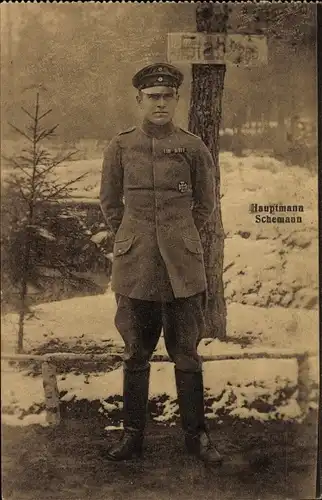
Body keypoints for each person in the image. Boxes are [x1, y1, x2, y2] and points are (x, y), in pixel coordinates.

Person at [99, 62, 222, 465]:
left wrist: (179, 234)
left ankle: (196, 437)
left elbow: (205, 204)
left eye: (168, 97)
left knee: (186, 352)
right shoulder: (120, 147)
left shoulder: (193, 147)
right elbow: (110, 203)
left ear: (177, 100)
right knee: (136, 352)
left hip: (183, 270)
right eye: (153, 97)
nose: (161, 104)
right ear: (139, 101)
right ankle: (132, 436)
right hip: (136, 268)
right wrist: (133, 238)